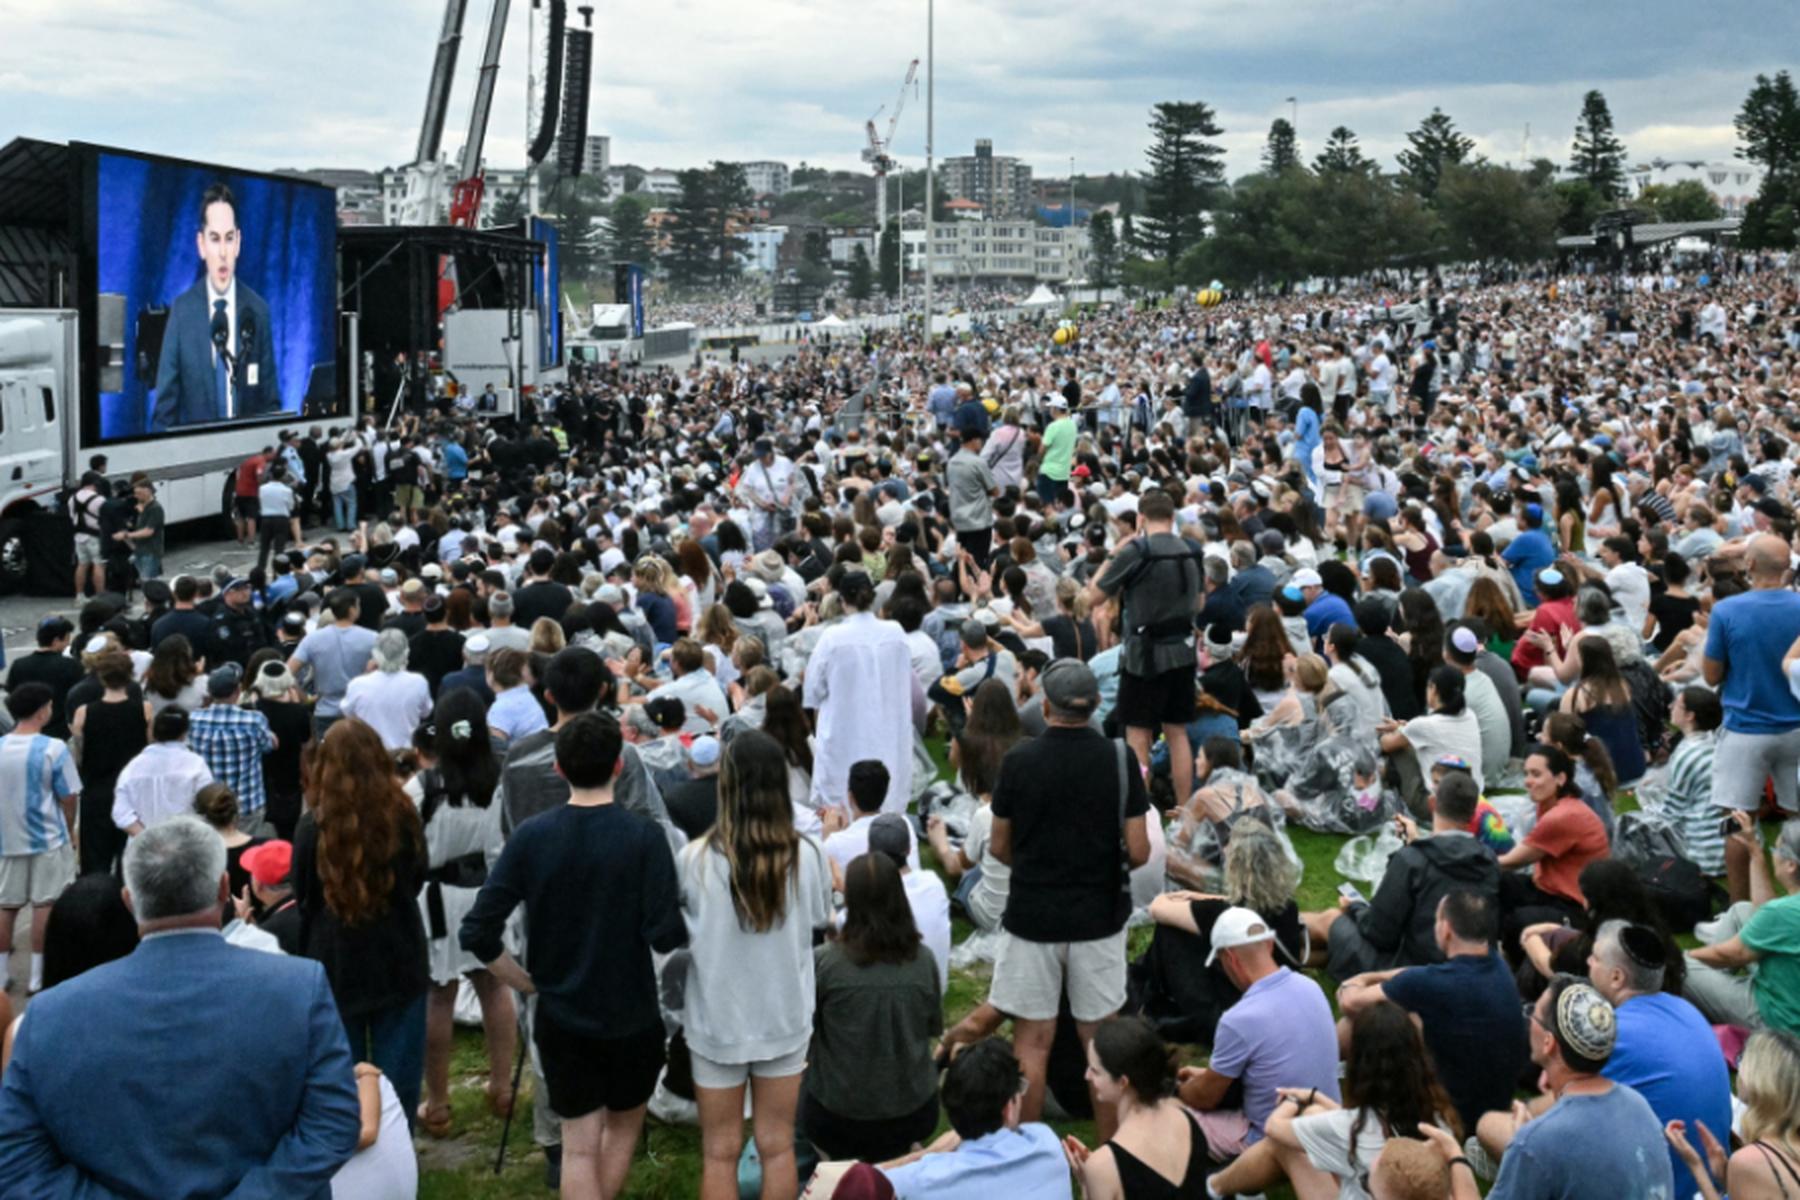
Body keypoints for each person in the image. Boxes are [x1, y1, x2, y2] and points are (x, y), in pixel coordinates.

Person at [0, 817, 362, 1196]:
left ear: (129, 900)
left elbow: (18, 1160)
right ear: (224, 889)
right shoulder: (299, 989)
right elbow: (333, 1124)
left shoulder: (48, 1016)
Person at [461, 712, 687, 1200]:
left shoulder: (531, 837)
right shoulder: (645, 838)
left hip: (561, 1014)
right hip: (631, 1014)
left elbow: (477, 931)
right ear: (620, 767)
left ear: (559, 769)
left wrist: (522, 980)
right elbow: (667, 936)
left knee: (578, 1147)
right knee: (622, 1131)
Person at [990, 659, 1150, 1137]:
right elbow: (1139, 850)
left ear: (1045, 706)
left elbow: (999, 845)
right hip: (1098, 917)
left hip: (1033, 917)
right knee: (1101, 1048)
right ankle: (1108, 1160)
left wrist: (1040, 869)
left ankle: (1029, 1162)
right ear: (1097, 704)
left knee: (1031, 1046)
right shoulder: (1120, 759)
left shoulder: (1018, 760)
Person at [679, 730, 834, 1200]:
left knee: (720, 1151)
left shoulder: (694, 859)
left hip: (716, 1018)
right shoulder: (807, 857)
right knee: (777, 1146)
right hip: (782, 1013)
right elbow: (815, 922)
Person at [292, 719, 430, 1126]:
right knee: (399, 1070)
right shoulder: (403, 816)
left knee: (343, 1072)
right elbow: (417, 874)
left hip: (337, 960)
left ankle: (350, 1145)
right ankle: (398, 1145)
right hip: (398, 953)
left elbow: (303, 895)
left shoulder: (312, 827)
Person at [1206, 999, 1461, 1200]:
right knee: (1315, 1115)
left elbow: (1274, 1128)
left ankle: (1213, 1187)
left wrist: (1292, 1102)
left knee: (1284, 1142)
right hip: (1389, 1185)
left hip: (1366, 1185)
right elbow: (1359, 1126)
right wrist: (1316, 1098)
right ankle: (1237, 1188)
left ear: (1359, 1062)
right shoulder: (1437, 1121)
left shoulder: (1350, 1128)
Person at [406, 695, 517, 1138]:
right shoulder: (498, 782)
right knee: (493, 986)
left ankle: (437, 1102)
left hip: (436, 898)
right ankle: (502, 1086)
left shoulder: (424, 787)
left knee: (439, 995)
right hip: (485, 893)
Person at [1339, 890, 1529, 1135]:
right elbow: (1420, 974)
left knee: (1361, 1020)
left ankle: (1321, 1080)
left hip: (1452, 1114)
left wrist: (1356, 981)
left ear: (1446, 929)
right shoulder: (1496, 965)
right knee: (1410, 1015)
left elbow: (1351, 1002)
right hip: (1493, 1104)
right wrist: (1382, 977)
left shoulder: (1433, 984)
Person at [1473, 975, 1673, 1199]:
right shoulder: (1638, 1104)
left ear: (1549, 1043)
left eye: (1533, 1014)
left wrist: (1454, 1161)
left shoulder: (1538, 1141)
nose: (1529, 1022)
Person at [804, 850, 943, 1163]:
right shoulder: (924, 960)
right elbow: (933, 1027)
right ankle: (904, 1159)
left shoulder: (825, 962)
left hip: (838, 1121)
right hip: (913, 1115)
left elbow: (803, 1033)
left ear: (849, 900)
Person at [1176, 905, 1339, 1168]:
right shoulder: (1311, 987)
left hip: (1274, 1140)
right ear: (1270, 945)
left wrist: (1178, 1090)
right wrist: (1208, 1074)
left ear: (1231, 958)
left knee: (1168, 1115)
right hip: (1326, 1126)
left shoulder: (1239, 1019)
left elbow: (1206, 1097)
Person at [1586, 920, 1732, 1200]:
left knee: (1505, 1131)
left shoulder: (1615, 1033)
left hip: (1666, 1190)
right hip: (1712, 1182)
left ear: (1616, 977)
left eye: (1595, 957)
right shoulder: (1685, 1009)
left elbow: (1567, 1105)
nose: (1588, 961)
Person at [1306, 770, 1501, 982]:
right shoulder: (1489, 862)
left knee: (1330, 919)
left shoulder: (1413, 860)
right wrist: (1416, 844)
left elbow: (1379, 934)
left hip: (1408, 974)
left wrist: (1354, 907)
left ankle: (1273, 935)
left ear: (1432, 803)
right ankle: (1287, 956)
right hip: (1464, 975)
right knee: (1332, 944)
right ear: (1473, 814)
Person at [1090, 489, 1202, 811]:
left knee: (1138, 735)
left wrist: (1115, 553)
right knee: (1177, 733)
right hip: (1182, 651)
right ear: (1172, 517)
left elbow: (1094, 595)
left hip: (1144, 657)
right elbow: (1199, 603)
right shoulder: (1192, 550)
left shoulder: (1138, 550)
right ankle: (1182, 808)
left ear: (1140, 518)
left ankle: (1140, 810)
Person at [151, 182, 281, 430]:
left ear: (238, 243)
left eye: (229, 238)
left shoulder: (258, 311)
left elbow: (270, 404)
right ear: (201, 245)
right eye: (214, 239)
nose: (223, 252)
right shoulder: (182, 312)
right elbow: (164, 414)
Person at [878, 1037, 1071, 1200]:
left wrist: (925, 1154)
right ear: (1008, 1108)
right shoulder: (1046, 1143)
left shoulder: (920, 1180)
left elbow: (850, 1181)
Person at [803, 564, 923, 814]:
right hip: (885, 728)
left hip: (847, 731)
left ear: (842, 600)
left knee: (844, 799)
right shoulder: (894, 633)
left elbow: (812, 691)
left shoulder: (833, 638)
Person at [1705, 534, 1800, 821]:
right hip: (1796, 726)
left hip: (1746, 727)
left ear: (1751, 563)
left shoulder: (1726, 610)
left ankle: (1745, 868)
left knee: (1735, 819)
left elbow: (1711, 676)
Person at [1685, 816, 1800, 1034]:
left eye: (1775, 851)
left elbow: (1729, 955)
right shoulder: (1782, 912)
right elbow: (1764, 915)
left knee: (1680, 968)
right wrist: (1754, 852)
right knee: (1741, 911)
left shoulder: (1781, 914)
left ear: (1791, 865)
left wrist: (1685, 956)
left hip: (1779, 1019)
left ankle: (1696, 1001)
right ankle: (1713, 990)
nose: (1772, 856)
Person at [0, 684, 80, 995]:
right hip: (47, 837)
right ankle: (37, 975)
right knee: (44, 905)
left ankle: (2, 973)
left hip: (7, 840)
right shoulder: (54, 748)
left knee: (6, 907)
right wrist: (70, 828)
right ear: (42, 710)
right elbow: (68, 795)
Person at [1498, 744, 1611, 951]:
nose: (1527, 781)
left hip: (1576, 909)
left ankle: (1512, 966)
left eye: (1536, 774)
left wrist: (1467, 858)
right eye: (1526, 774)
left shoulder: (1563, 816)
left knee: (1517, 920)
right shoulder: (1553, 805)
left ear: (1560, 778)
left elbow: (1513, 861)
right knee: (1495, 884)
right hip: (1549, 890)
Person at [1665, 1028, 1800, 1200]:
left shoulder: (1753, 1160)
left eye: (1741, 1059)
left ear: (1758, 1078)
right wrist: (1727, 1178)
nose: (1738, 1067)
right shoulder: (1786, 1144)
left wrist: (1695, 1165)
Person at [67, 650, 149, 875]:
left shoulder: (83, 713)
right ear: (130, 675)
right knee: (131, 862)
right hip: (132, 792)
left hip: (97, 791)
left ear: (102, 677)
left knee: (95, 861)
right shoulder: (144, 710)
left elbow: (79, 754)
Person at [187, 663, 278, 836]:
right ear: (238, 691)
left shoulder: (194, 719)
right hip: (248, 802)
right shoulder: (254, 720)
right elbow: (268, 746)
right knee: (247, 856)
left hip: (209, 803)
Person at [289, 588, 378, 740]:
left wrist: (305, 698)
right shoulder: (372, 638)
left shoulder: (312, 640)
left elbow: (287, 672)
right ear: (352, 610)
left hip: (325, 712)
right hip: (361, 712)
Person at [112, 705, 213, 836]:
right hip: (186, 844)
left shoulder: (133, 767)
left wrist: (147, 838)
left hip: (144, 848)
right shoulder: (196, 764)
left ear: (153, 732)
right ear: (184, 733)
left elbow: (121, 814)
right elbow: (209, 805)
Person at [342, 628, 433, 751]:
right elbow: (425, 712)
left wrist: (366, 674)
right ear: (406, 652)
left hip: (370, 754)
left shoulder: (357, 684)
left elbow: (348, 714)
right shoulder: (418, 682)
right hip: (406, 754)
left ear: (375, 654)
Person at [6, 616, 82, 740]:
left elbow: (11, 696)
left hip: (27, 730)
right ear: (56, 640)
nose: (68, 643)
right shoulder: (71, 666)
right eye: (67, 639)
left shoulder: (19, 664)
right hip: (61, 732)